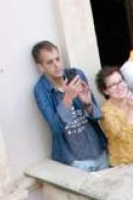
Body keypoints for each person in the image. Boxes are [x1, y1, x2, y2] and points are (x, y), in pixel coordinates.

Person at [31, 41, 108, 171]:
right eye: (50, 62)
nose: (57, 65)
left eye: (57, 59)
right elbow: (55, 127)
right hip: (74, 161)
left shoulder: (76, 75)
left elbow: (97, 116)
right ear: (41, 67)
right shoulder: (41, 89)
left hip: (99, 150)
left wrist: (88, 104)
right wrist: (68, 98)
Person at [96, 66, 133, 167]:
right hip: (124, 165)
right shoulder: (105, 112)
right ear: (105, 91)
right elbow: (125, 137)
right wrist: (131, 111)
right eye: (113, 85)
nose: (120, 86)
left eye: (120, 81)